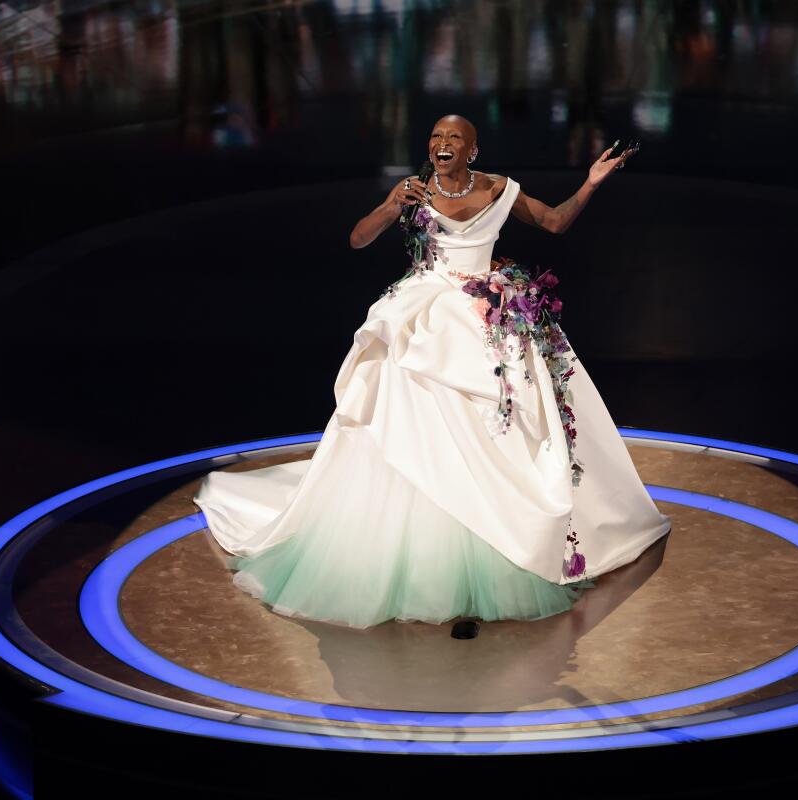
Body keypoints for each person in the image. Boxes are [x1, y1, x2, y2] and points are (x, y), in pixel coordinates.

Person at [193, 115, 671, 629]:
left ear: (473, 149)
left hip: (485, 315)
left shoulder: (501, 189)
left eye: (454, 138)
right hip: (424, 319)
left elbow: (554, 221)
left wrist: (591, 184)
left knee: (495, 429)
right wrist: (390, 205)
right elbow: (357, 239)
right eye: (436, 137)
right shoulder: (413, 191)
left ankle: (495, 536)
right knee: (410, 421)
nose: (442, 145)